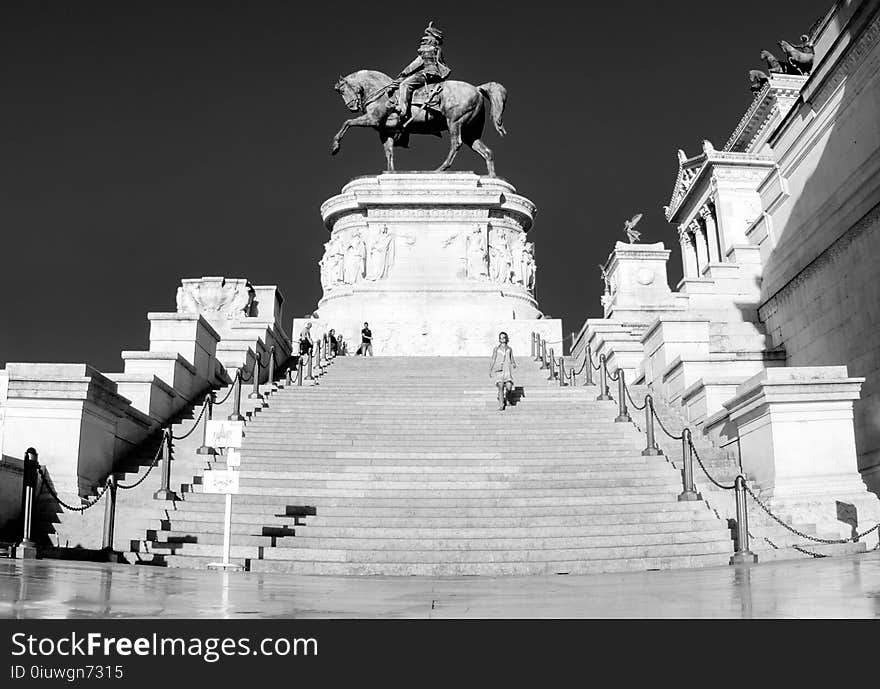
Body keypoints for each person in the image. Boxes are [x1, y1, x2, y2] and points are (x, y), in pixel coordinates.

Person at [395, 21, 451, 127]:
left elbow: (417, 63)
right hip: (436, 75)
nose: (423, 40)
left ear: (431, 39)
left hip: (428, 73)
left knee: (405, 84)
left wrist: (403, 73)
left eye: (426, 37)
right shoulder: (436, 49)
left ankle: (402, 110)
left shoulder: (426, 49)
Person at [489, 331, 517, 411]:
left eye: (504, 337)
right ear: (499, 339)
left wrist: (513, 363)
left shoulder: (509, 349)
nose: (502, 339)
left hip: (507, 370)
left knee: (509, 387)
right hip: (499, 370)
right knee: (500, 387)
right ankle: (501, 405)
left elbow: (511, 357)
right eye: (500, 338)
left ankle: (507, 398)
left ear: (506, 338)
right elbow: (493, 359)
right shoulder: (496, 349)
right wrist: (490, 369)